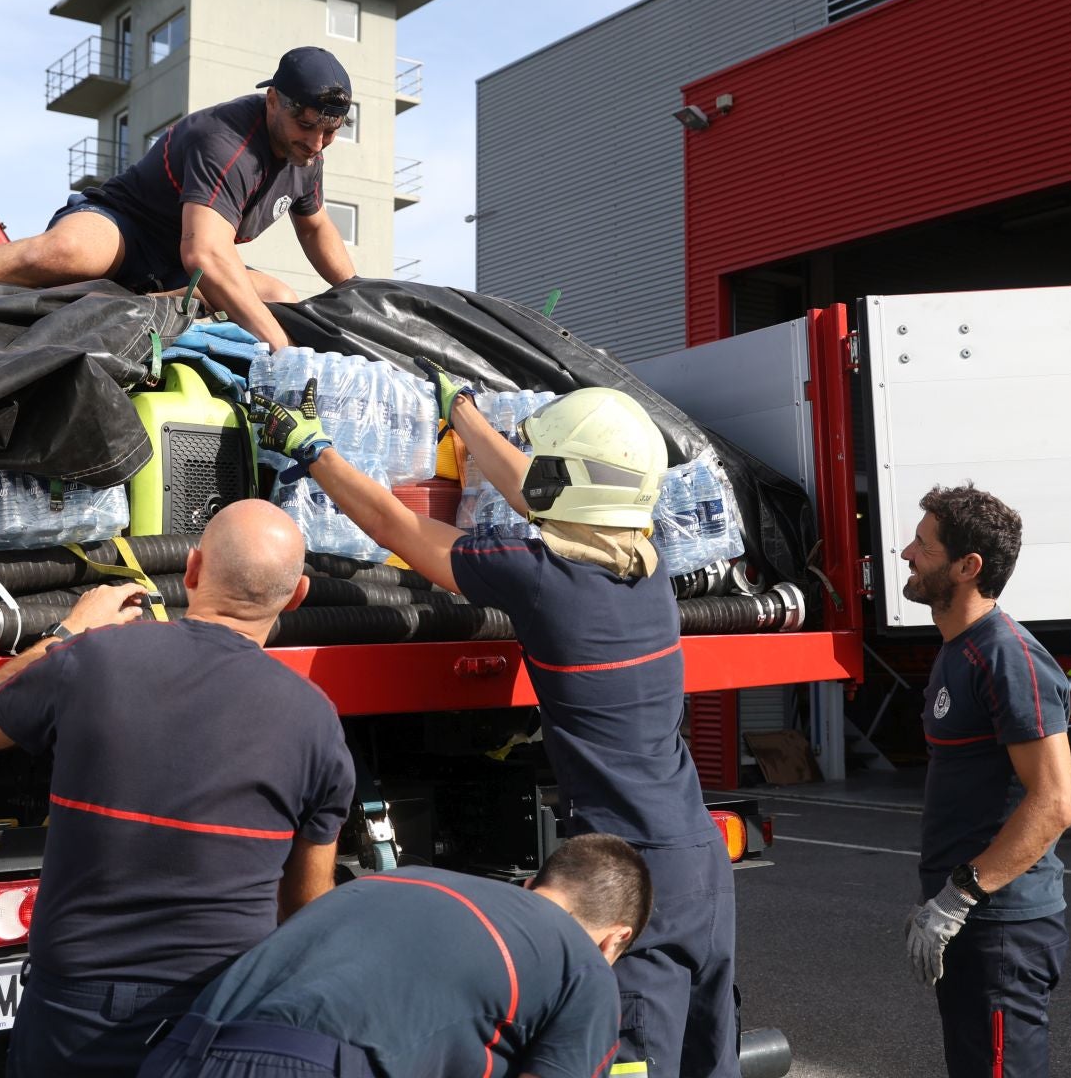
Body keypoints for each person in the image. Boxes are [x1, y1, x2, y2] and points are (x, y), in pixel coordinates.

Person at [253, 372, 738, 1078]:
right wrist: (467, 418)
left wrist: (315, 449)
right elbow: (544, 495)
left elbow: (400, 527)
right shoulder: (650, 563)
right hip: (697, 859)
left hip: (625, 876)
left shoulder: (538, 576)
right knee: (706, 1056)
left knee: (629, 1060)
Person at [0, 500, 356, 1077]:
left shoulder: (93, 659)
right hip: (218, 1011)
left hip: (75, 1009)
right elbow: (305, 911)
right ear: (297, 597)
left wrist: (71, 630)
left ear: (191, 570)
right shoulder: (317, 722)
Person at [0, 46, 359, 349]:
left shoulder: (307, 157)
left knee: (279, 295)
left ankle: (151, 309)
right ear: (274, 100)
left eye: (329, 133)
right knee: (70, 251)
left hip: (176, 270)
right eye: (308, 127)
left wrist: (357, 297)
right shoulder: (226, 140)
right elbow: (205, 253)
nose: (317, 144)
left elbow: (316, 226)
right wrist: (282, 350)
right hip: (125, 227)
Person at [138, 833, 650, 1078]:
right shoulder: (584, 968)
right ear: (614, 940)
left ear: (532, 884)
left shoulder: (400, 883)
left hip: (175, 1053)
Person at [899, 483, 1071, 1078]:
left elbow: (1055, 803)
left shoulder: (1007, 656)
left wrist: (957, 899)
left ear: (967, 566)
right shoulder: (957, 650)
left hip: (1003, 928)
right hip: (972, 925)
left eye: (923, 546)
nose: (906, 554)